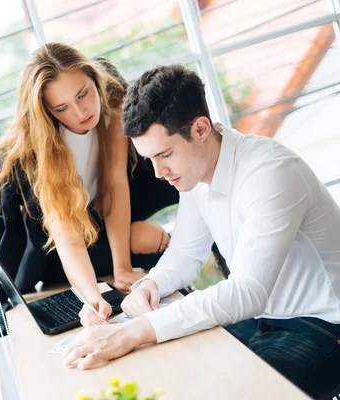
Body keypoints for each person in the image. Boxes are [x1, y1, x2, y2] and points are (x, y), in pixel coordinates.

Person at [62, 64, 340, 399]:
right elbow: (184, 253)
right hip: (261, 318)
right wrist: (151, 284)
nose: (159, 173)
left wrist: (134, 331)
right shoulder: (195, 174)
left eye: (164, 155)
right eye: (149, 159)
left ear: (200, 128)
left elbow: (247, 292)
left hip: (323, 325)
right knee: (177, 373)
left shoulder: (270, 174)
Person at [0, 43, 178, 324]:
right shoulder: (41, 148)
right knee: (146, 238)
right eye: (62, 108)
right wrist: (92, 299)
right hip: (58, 250)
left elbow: (115, 185)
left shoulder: (113, 101)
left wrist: (122, 267)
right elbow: (65, 231)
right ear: (48, 112)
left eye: (83, 94)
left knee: (152, 237)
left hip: (98, 221)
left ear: (93, 77)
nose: (80, 111)